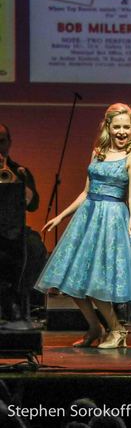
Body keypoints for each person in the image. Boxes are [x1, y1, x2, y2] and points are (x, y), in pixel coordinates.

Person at [35, 103, 131, 348]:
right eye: (116, 126)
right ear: (108, 127)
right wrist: (61, 216)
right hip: (88, 218)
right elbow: (86, 192)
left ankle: (117, 331)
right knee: (72, 281)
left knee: (97, 282)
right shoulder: (98, 151)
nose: (121, 132)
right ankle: (95, 327)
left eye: (126, 127)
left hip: (111, 219)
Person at [0, 123, 47, 322]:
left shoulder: (19, 170)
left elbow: (33, 204)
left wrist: (20, 182)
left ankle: (18, 299)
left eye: (1, 141)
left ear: (9, 143)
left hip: (13, 231)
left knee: (35, 248)